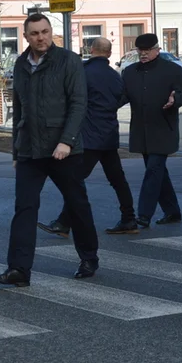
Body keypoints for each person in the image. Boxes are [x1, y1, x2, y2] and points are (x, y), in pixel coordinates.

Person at [0, 13, 99, 287]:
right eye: (35, 33)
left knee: (77, 204)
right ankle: (18, 269)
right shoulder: (21, 64)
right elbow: (19, 110)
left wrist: (67, 141)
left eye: (45, 31)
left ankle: (89, 257)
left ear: (52, 32)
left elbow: (78, 104)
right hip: (29, 150)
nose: (41, 37)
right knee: (24, 208)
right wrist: (16, 151)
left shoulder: (68, 61)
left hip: (63, 149)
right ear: (25, 36)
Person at [39, 37, 138, 236]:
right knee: (118, 180)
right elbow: (120, 99)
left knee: (74, 181)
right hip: (109, 135)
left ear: (91, 50)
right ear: (109, 54)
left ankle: (63, 223)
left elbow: (72, 101)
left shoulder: (83, 73)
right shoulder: (115, 76)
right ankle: (129, 218)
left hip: (89, 137)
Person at [123, 32, 182, 228]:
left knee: (153, 170)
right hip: (141, 131)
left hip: (163, 129)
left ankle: (143, 214)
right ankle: (172, 211)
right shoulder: (130, 72)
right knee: (158, 172)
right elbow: (122, 96)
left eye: (147, 50)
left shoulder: (172, 70)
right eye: (140, 50)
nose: (143, 54)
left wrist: (174, 100)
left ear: (157, 50)